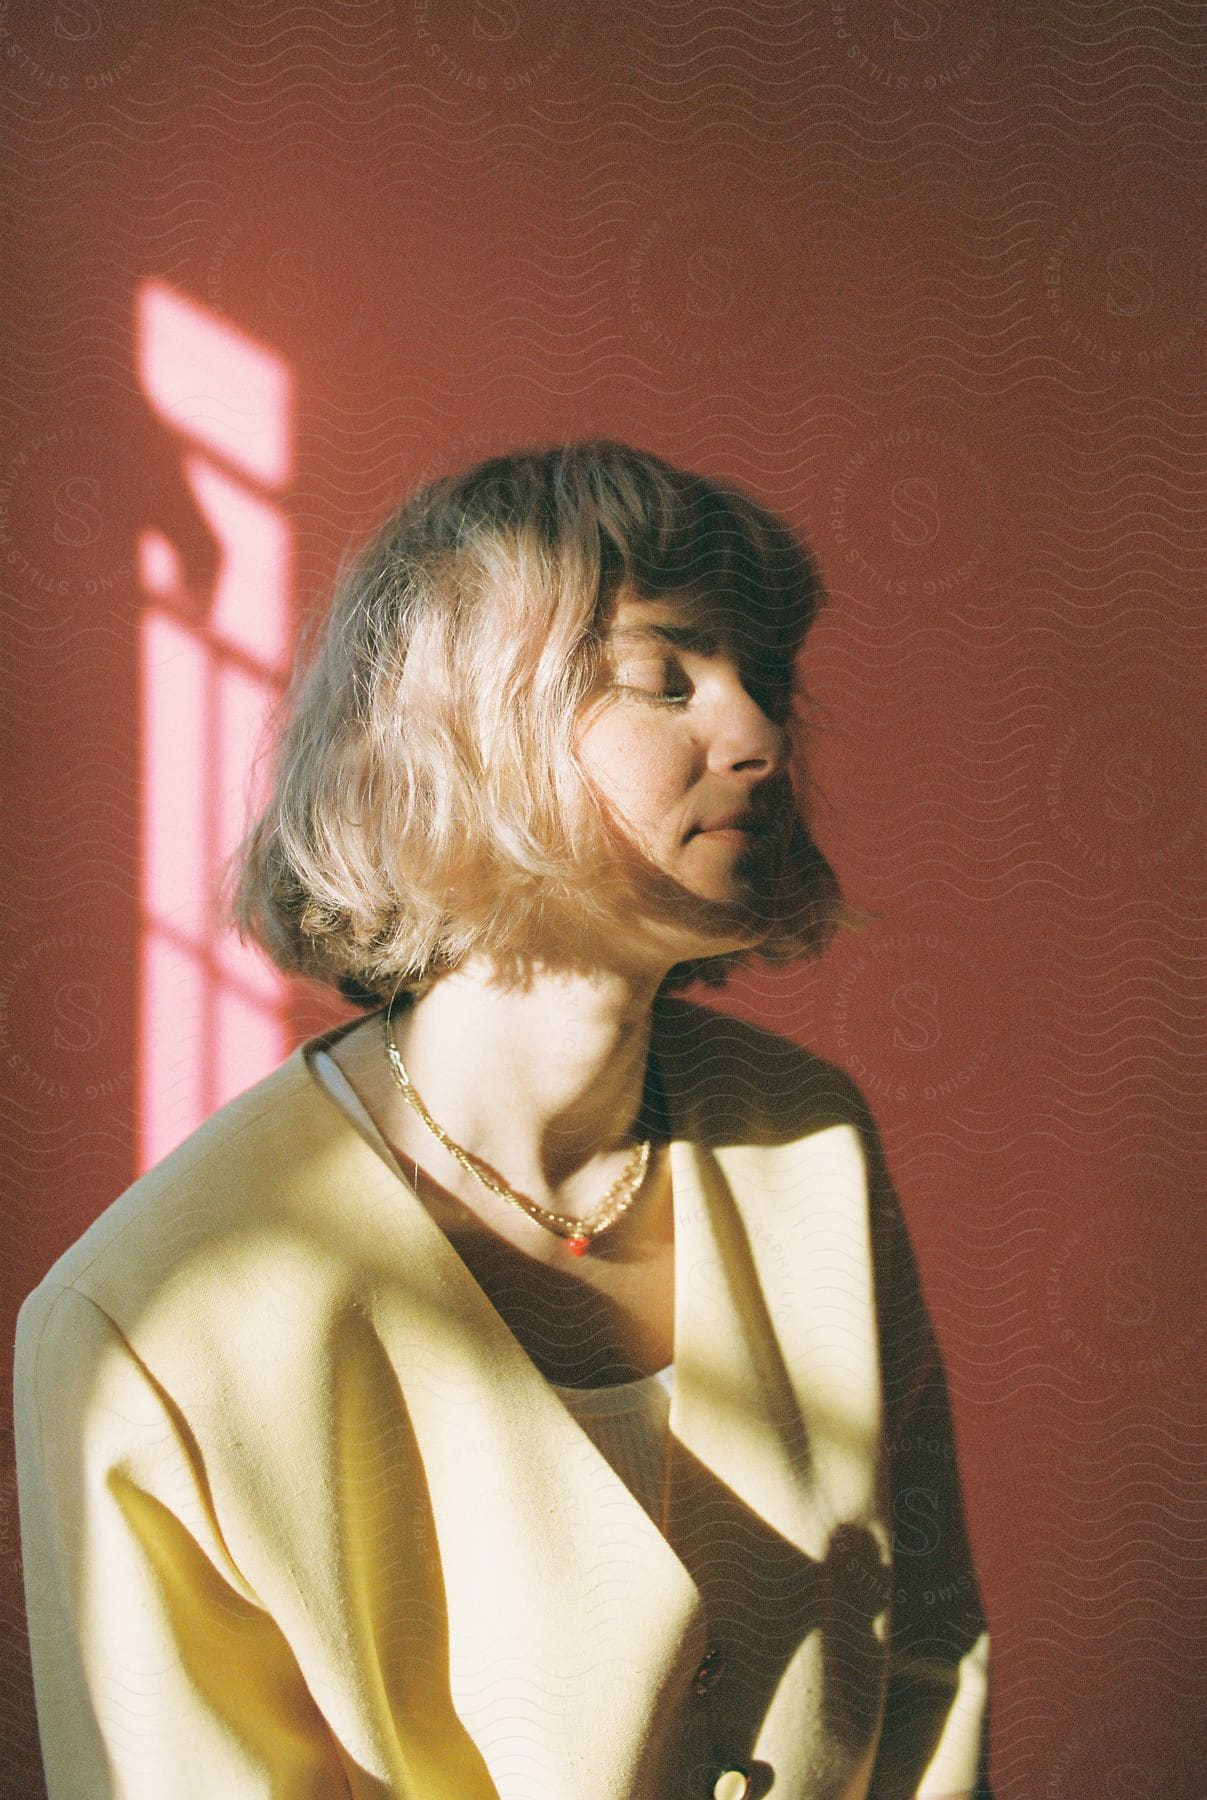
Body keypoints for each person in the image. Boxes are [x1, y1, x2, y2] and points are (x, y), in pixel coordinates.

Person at [14, 443, 992, 1798]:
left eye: (765, 678)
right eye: (670, 674)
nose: (759, 735)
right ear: (459, 721)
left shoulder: (811, 1139)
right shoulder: (150, 1321)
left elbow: (930, 1664)